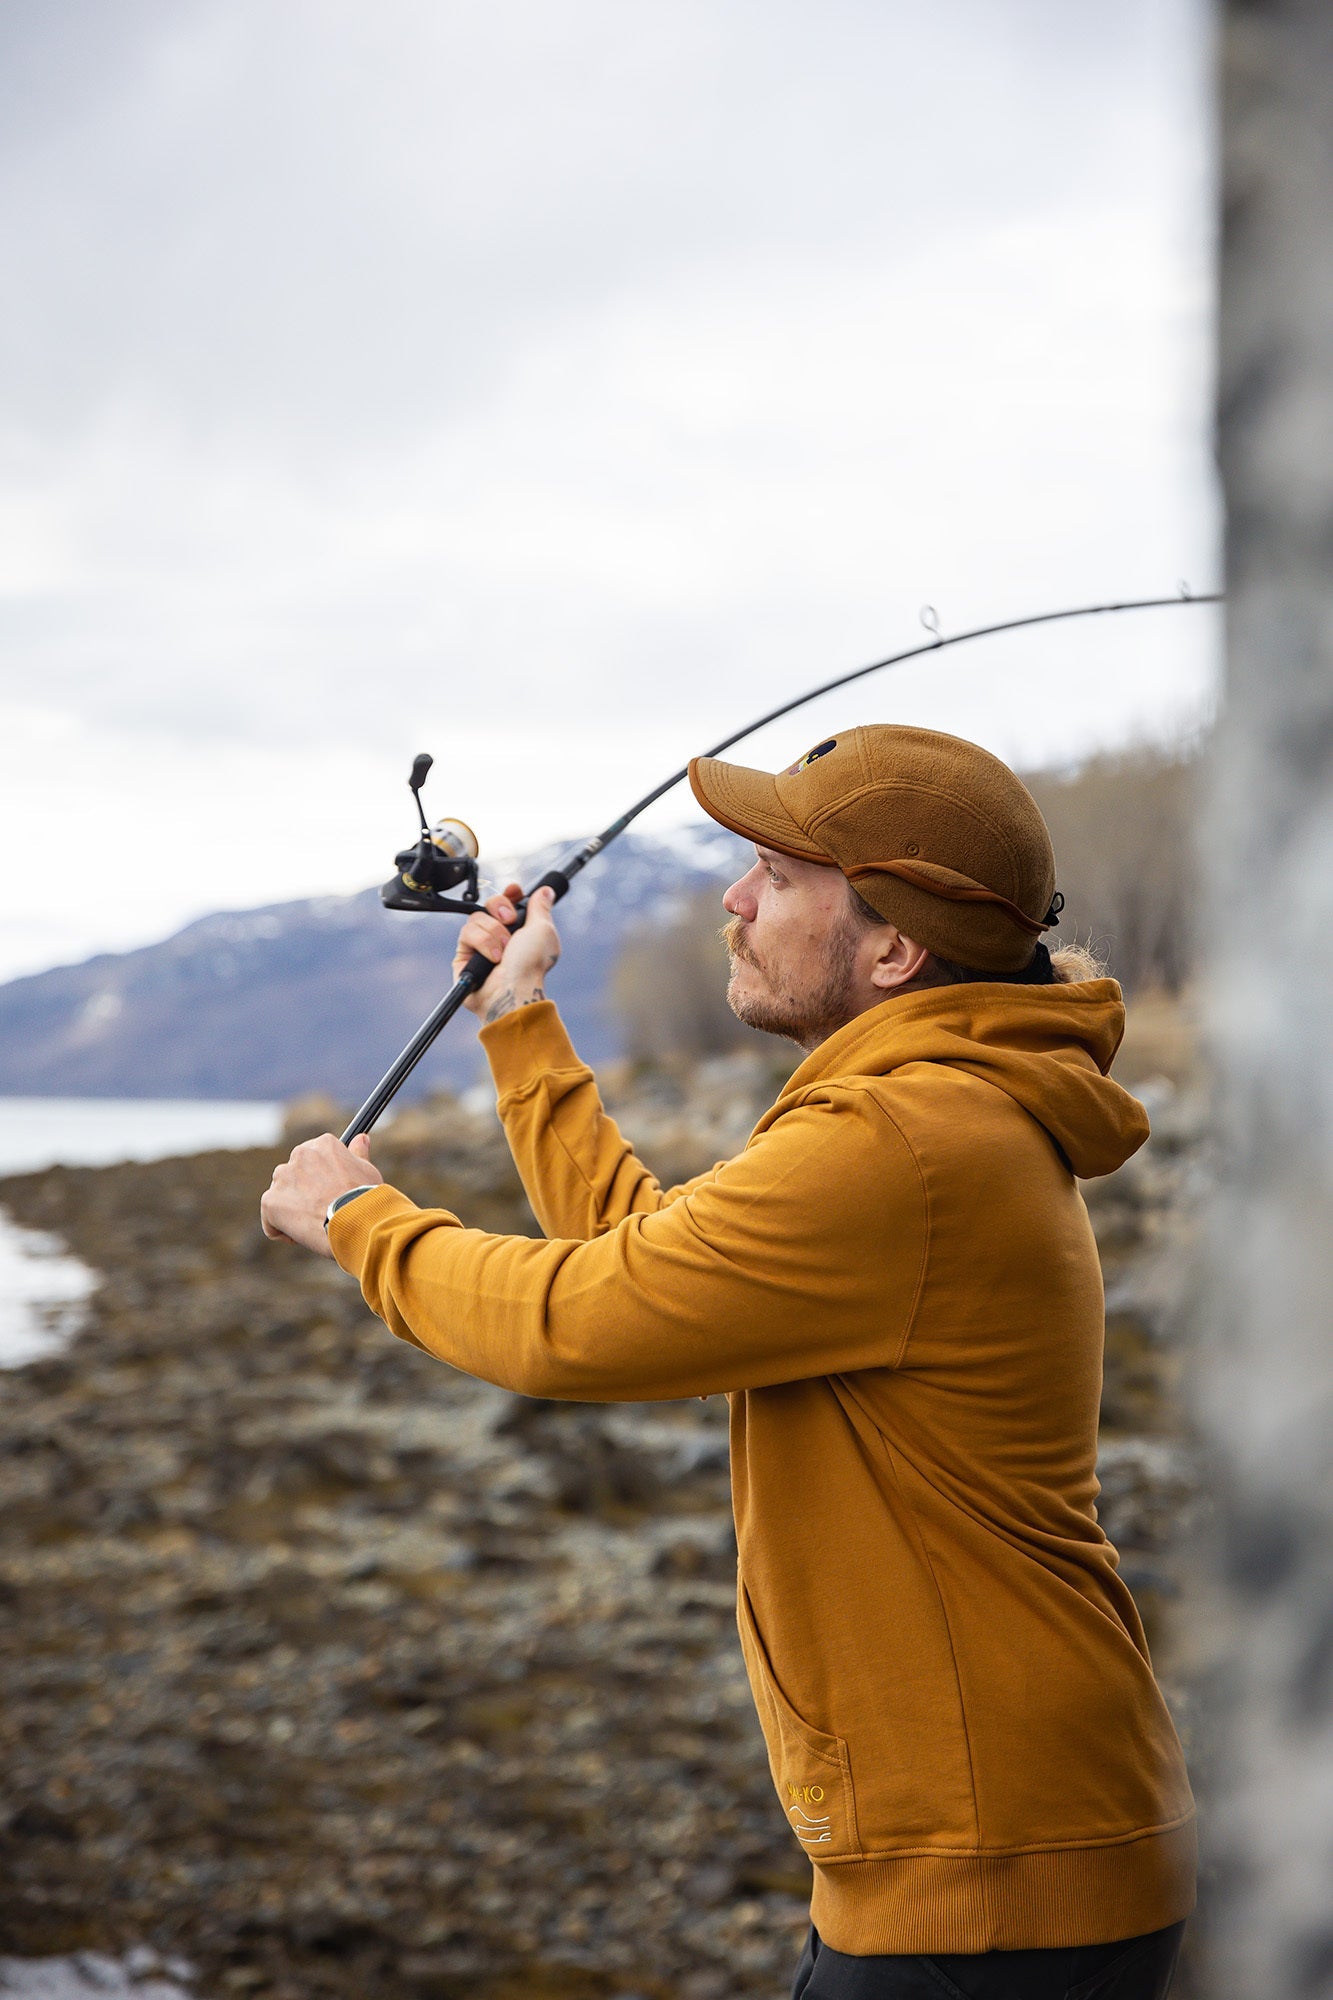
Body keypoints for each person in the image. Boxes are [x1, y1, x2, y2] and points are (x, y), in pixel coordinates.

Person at [261, 724, 1194, 2000]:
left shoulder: (904, 1136)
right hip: (996, 1850)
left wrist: (354, 1220)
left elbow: (577, 1319)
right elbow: (656, 1262)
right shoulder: (930, 1105)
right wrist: (519, 1018)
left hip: (986, 1876)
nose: (733, 898)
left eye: (777, 874)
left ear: (891, 947)